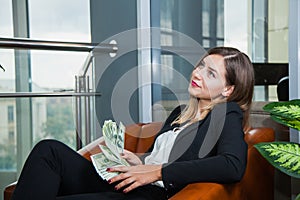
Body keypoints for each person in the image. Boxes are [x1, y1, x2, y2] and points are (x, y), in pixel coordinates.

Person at [11, 46, 254, 200]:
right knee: (49, 150)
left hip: (152, 194)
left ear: (228, 90)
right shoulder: (181, 113)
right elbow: (161, 155)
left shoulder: (227, 113)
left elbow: (232, 165)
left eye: (211, 73)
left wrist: (157, 171)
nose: (197, 73)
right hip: (132, 183)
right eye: (201, 65)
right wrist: (141, 161)